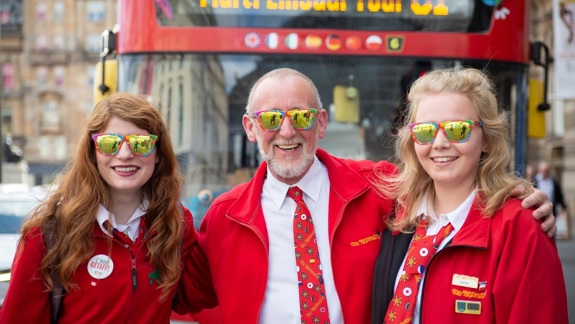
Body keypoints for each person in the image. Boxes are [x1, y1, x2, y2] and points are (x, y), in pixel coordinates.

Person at [174, 68, 556, 323]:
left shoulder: (379, 188)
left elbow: (453, 188)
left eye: (303, 117)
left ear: (321, 123)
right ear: (251, 128)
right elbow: (176, 292)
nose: (287, 131)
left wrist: (515, 196)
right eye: (271, 119)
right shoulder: (225, 215)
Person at [372, 68, 568, 323]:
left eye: (457, 129)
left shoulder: (521, 227)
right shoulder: (394, 212)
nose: (439, 142)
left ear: (486, 138)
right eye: (424, 131)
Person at [0, 93, 197, 323]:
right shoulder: (48, 235)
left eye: (141, 144)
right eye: (109, 143)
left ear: (157, 154)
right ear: (93, 153)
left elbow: (204, 295)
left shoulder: (175, 225)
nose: (124, 154)